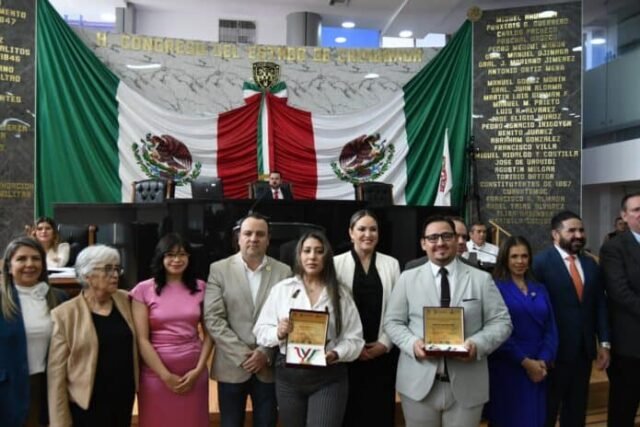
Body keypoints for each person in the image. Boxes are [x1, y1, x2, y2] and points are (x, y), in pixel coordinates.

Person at [384, 215, 512, 427]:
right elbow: (392, 322)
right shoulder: (407, 278)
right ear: (423, 243)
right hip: (418, 384)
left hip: (468, 384)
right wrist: (412, 344)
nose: (440, 242)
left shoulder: (481, 279)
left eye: (446, 236)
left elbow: (502, 322)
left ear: (457, 239)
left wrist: (477, 344)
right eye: (433, 237)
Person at [253, 231, 365, 427]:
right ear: (299, 255)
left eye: (319, 251)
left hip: (329, 376)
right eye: (307, 251)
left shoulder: (341, 293)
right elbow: (260, 331)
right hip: (288, 376)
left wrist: (336, 354)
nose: (312, 256)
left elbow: (355, 340)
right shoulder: (282, 290)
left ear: (327, 256)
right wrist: (278, 332)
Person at [204, 213, 292, 427]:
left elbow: (287, 319)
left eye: (260, 234)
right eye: (248, 233)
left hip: (268, 366)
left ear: (268, 239)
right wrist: (244, 355)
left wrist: (264, 353)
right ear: (239, 238)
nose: (254, 238)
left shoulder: (283, 271)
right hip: (232, 364)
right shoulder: (219, 269)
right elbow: (213, 318)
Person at [532, 211, 610, 427]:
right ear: (555, 234)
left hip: (583, 353)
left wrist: (604, 343)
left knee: (576, 410)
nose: (579, 235)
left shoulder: (591, 264)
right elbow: (534, 311)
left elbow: (600, 305)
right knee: (547, 411)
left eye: (581, 230)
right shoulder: (540, 263)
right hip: (552, 354)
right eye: (572, 231)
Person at [48, 245, 138, 427]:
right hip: (87, 404)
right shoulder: (64, 314)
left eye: (117, 268)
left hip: (123, 397)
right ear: (87, 275)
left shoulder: (127, 300)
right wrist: (60, 421)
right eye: (108, 269)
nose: (115, 275)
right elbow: (56, 373)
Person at [131, 233, 213, 427]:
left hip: (193, 372)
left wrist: (198, 370)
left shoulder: (202, 288)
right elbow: (142, 340)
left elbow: (210, 334)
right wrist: (165, 375)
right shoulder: (143, 290)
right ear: (161, 257)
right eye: (170, 255)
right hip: (156, 374)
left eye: (182, 254)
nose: (177, 260)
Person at [333, 210, 400, 426]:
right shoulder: (335, 264)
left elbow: (398, 310)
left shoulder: (391, 264)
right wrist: (352, 347)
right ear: (351, 232)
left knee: (379, 413)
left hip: (381, 353)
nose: (368, 234)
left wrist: (385, 344)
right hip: (347, 355)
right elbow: (332, 310)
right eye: (361, 229)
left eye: (373, 229)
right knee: (348, 414)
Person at [486, 236, 558, 427]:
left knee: (535, 420)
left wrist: (543, 359)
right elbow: (496, 330)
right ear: (505, 259)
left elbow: (551, 328)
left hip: (539, 367)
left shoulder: (540, 288)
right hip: (508, 366)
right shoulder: (494, 287)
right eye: (514, 256)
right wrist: (525, 362)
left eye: (524, 256)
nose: (520, 261)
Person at [0, 237, 67, 427]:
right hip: (7, 389)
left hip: (47, 387)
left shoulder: (59, 298)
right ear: (9, 266)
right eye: (21, 259)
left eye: (36, 258)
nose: (30, 264)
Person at [600, 192, 640, 427]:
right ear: (624, 216)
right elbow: (620, 292)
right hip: (630, 346)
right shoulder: (613, 248)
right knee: (623, 411)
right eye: (636, 210)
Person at [405, 216, 470, 270]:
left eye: (464, 237)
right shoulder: (413, 268)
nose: (461, 241)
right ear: (423, 243)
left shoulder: (472, 268)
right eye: (433, 237)